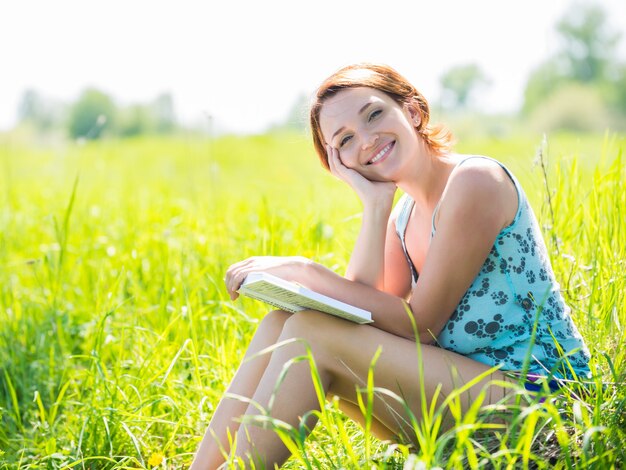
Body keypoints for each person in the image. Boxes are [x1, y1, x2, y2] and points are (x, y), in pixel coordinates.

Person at [190, 63, 590, 469]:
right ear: (338, 161)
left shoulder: (475, 181)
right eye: (345, 139)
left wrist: (304, 270)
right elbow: (359, 317)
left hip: (542, 403)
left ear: (413, 111)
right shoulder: (403, 216)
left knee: (310, 334)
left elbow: (421, 326)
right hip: (464, 394)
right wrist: (376, 206)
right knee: (280, 326)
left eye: (374, 114)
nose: (366, 139)